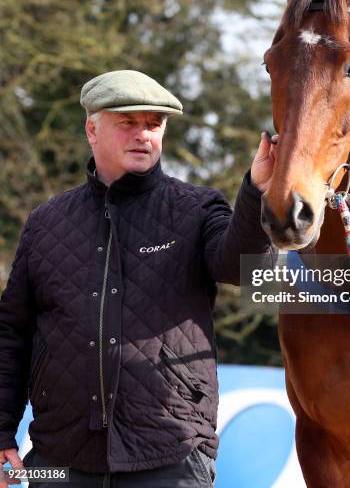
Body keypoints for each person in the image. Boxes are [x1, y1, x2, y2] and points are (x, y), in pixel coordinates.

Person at [0, 70, 277, 487]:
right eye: (128, 122)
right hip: (55, 464)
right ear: (92, 129)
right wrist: (2, 435)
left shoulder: (197, 208)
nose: (143, 135)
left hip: (173, 456)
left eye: (154, 124)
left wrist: (256, 193)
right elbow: (11, 334)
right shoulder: (45, 223)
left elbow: (245, 269)